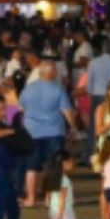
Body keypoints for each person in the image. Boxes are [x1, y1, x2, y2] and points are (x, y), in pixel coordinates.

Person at [19, 60, 76, 207]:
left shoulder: (28, 89)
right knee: (53, 165)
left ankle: (31, 198)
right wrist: (73, 127)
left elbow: (21, 109)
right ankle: (49, 197)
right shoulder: (58, 89)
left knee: (31, 167)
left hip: (31, 132)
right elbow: (66, 111)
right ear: (52, 73)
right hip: (54, 131)